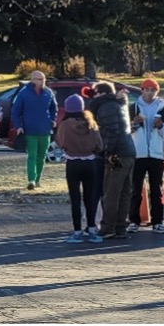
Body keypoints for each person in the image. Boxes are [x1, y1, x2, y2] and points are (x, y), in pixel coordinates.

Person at [88, 81, 136, 240]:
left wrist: (108, 152)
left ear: (101, 93)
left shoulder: (107, 106)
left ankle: (108, 227)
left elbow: (111, 131)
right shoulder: (119, 104)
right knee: (124, 192)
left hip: (117, 153)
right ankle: (120, 227)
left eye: (95, 93)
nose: (93, 97)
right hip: (129, 151)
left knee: (111, 192)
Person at [55, 94, 104, 243]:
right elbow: (100, 145)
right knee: (90, 197)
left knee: (75, 198)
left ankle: (77, 231)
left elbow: (60, 143)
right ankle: (92, 229)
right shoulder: (91, 124)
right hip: (89, 163)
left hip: (72, 163)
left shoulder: (64, 125)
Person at [127, 78, 164, 234]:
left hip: (157, 154)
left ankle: (158, 222)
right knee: (136, 189)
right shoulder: (133, 108)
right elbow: (127, 131)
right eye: (147, 89)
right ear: (142, 90)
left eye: (153, 90)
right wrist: (134, 123)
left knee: (156, 190)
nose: (149, 93)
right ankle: (133, 221)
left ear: (157, 92)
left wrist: (160, 127)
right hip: (138, 154)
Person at [11, 71, 57, 190]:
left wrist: (52, 120)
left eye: (43, 79)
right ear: (32, 80)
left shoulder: (48, 92)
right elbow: (15, 111)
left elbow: (54, 107)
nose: (42, 81)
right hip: (29, 130)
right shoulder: (24, 93)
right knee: (32, 155)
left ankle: (37, 180)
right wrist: (18, 126)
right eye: (39, 79)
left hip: (45, 130)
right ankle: (31, 179)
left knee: (42, 156)